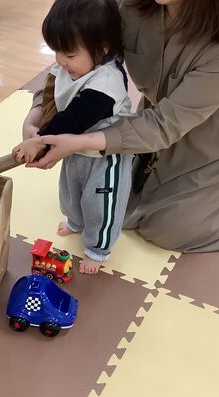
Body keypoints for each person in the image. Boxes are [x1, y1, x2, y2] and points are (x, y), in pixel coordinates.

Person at [26, 0, 219, 253]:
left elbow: (168, 123)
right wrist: (38, 114)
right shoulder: (128, 4)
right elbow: (79, 48)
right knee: (116, 202)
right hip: (158, 115)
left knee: (169, 229)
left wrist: (82, 142)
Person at [14, 0, 133, 274]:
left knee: (100, 201)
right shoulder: (72, 66)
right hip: (73, 147)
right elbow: (50, 91)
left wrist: (39, 141)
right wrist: (33, 123)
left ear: (103, 48)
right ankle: (76, 222)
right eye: (56, 50)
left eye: (68, 53)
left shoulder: (106, 82)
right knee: (71, 190)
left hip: (105, 156)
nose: (60, 60)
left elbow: (74, 118)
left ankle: (98, 248)